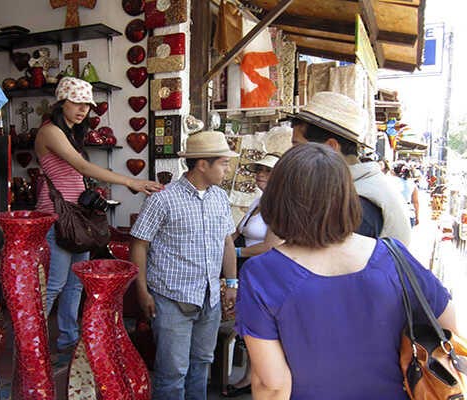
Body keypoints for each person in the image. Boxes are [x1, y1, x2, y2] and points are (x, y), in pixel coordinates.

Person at [235, 143, 457, 399]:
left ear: (278, 199)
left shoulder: (263, 273)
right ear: (346, 197)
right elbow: (449, 328)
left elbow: (272, 383)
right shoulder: (393, 256)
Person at [35, 77, 162, 354]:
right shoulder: (50, 131)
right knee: (54, 284)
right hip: (56, 215)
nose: (83, 110)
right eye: (77, 103)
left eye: (87, 105)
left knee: (74, 284)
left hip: (78, 216)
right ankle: (33, 343)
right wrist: (132, 182)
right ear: (61, 103)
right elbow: (80, 165)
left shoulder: (70, 134)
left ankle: (68, 339)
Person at [130, 130, 238, 400]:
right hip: (170, 298)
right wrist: (142, 291)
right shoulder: (162, 199)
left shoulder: (220, 198)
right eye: (223, 163)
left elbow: (227, 242)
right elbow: (139, 245)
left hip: (209, 298)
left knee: (201, 363)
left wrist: (232, 283)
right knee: (172, 372)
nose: (227, 169)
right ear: (203, 164)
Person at [290, 91, 411, 245]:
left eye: (298, 146)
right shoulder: (359, 185)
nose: (291, 155)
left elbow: (332, 264)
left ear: (331, 147)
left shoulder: (359, 201)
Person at [224, 153, 282, 397]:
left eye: (267, 171)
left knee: (257, 325)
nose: (260, 174)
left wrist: (235, 251)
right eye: (259, 170)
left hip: (264, 271)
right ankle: (250, 376)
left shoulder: (278, 206)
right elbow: (237, 231)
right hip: (246, 268)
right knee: (245, 322)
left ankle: (255, 378)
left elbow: (270, 245)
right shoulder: (257, 201)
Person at [392, 161, 420, 227]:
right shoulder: (412, 183)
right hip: (409, 214)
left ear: (393, 171)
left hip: (393, 214)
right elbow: (415, 202)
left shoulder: (389, 181)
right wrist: (417, 217)